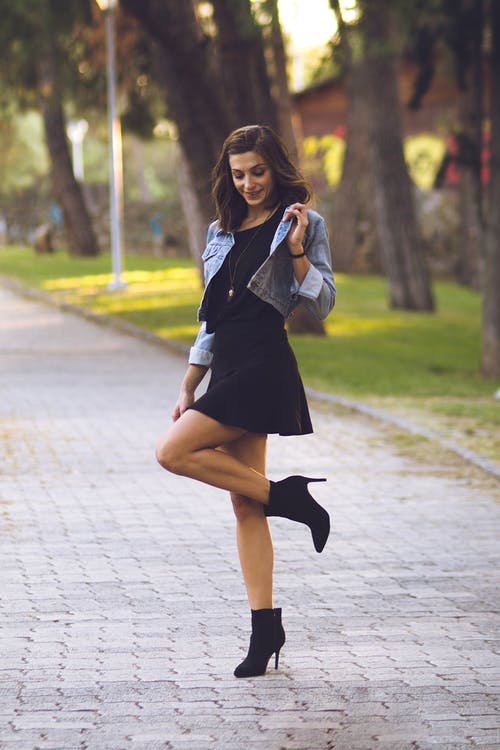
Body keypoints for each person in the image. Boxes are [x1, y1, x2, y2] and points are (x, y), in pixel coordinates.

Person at [156, 124, 335, 678]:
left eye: (258, 171)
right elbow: (212, 317)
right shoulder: (220, 230)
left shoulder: (300, 222)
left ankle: (290, 497)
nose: (249, 183)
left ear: (274, 168)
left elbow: (322, 303)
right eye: (239, 174)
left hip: (263, 362)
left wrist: (299, 248)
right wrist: (189, 384)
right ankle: (266, 630)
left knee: (171, 452)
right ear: (228, 177)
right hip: (226, 366)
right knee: (245, 504)